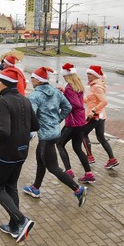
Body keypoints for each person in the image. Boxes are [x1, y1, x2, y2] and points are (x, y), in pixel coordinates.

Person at [0, 66, 39, 243]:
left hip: (5, 154)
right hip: (22, 152)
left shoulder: (3, 102)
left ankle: (22, 220)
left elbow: (4, 132)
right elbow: (35, 126)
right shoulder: (25, 100)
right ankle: (14, 227)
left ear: (5, 83)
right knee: (11, 186)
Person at [22, 66, 87, 205]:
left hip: (46, 136)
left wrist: (29, 131)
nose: (30, 80)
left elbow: (31, 116)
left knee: (53, 167)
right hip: (55, 132)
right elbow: (68, 107)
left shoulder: (35, 96)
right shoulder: (55, 91)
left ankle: (78, 189)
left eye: (32, 78)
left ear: (38, 80)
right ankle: (35, 188)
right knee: (40, 160)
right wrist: (57, 120)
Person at [56, 63, 95, 184]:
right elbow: (78, 101)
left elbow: (75, 104)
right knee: (77, 148)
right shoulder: (78, 85)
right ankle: (89, 173)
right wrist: (64, 94)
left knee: (59, 143)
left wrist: (62, 100)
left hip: (72, 123)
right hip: (80, 121)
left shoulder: (69, 87)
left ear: (67, 76)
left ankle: (68, 171)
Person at [82, 65, 118, 169]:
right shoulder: (94, 85)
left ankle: (89, 157)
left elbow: (104, 101)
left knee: (83, 134)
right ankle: (112, 159)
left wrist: (93, 111)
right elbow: (91, 101)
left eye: (90, 74)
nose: (88, 76)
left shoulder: (96, 86)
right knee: (101, 137)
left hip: (95, 115)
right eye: (87, 74)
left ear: (95, 75)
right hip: (100, 115)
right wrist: (79, 99)